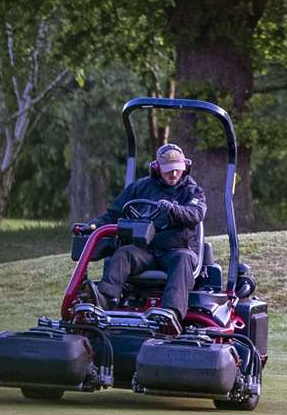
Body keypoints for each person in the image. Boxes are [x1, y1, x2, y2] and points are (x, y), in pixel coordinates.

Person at [86, 142, 206, 334]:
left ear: (185, 167)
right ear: (157, 168)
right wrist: (92, 226)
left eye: (177, 170)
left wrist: (174, 210)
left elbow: (196, 214)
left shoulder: (192, 191)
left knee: (182, 259)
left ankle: (170, 313)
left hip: (177, 251)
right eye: (168, 170)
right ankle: (104, 300)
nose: (173, 174)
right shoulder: (140, 187)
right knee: (124, 253)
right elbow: (113, 214)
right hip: (146, 251)